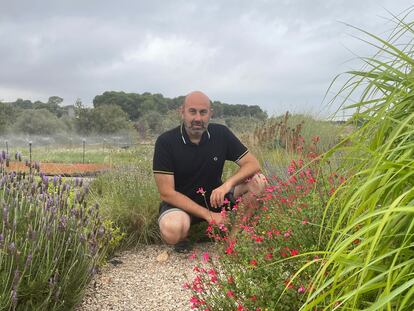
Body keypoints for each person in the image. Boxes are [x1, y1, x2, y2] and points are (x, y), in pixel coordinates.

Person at [152, 91, 267, 252]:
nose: (198, 118)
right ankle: (184, 237)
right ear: (182, 112)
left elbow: (253, 164)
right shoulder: (166, 142)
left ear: (210, 114)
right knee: (173, 230)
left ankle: (233, 238)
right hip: (181, 205)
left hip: (215, 199)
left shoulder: (221, 134)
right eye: (192, 111)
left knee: (259, 181)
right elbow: (166, 193)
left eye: (203, 112)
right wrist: (208, 215)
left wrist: (227, 185)